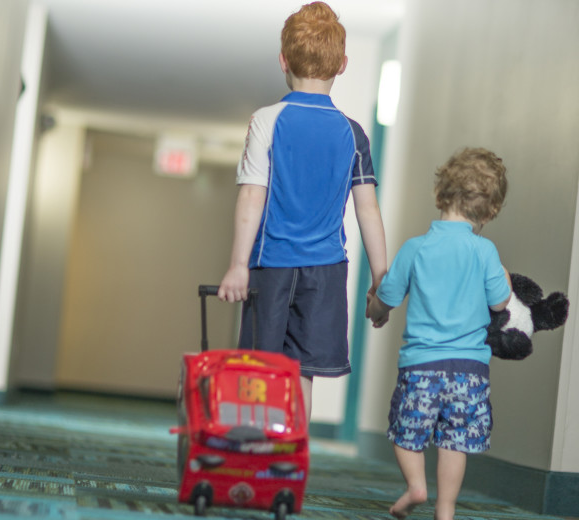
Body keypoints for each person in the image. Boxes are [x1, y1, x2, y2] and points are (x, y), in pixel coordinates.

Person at [217, 1, 387, 424]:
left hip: (271, 265)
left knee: (257, 373)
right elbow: (368, 211)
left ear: (283, 61)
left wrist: (238, 265)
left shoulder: (267, 121)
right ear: (342, 65)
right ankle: (291, 465)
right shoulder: (353, 134)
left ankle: (255, 460)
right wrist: (382, 282)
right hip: (325, 272)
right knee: (301, 377)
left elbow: (252, 197)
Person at [366, 147, 512, 520]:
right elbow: (500, 303)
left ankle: (416, 486)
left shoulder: (416, 248)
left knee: (405, 432)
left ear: (440, 194)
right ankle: (445, 509)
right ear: (489, 210)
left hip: (421, 367)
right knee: (455, 441)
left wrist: (376, 311)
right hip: (469, 369)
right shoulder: (485, 251)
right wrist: (505, 279)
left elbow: (387, 298)